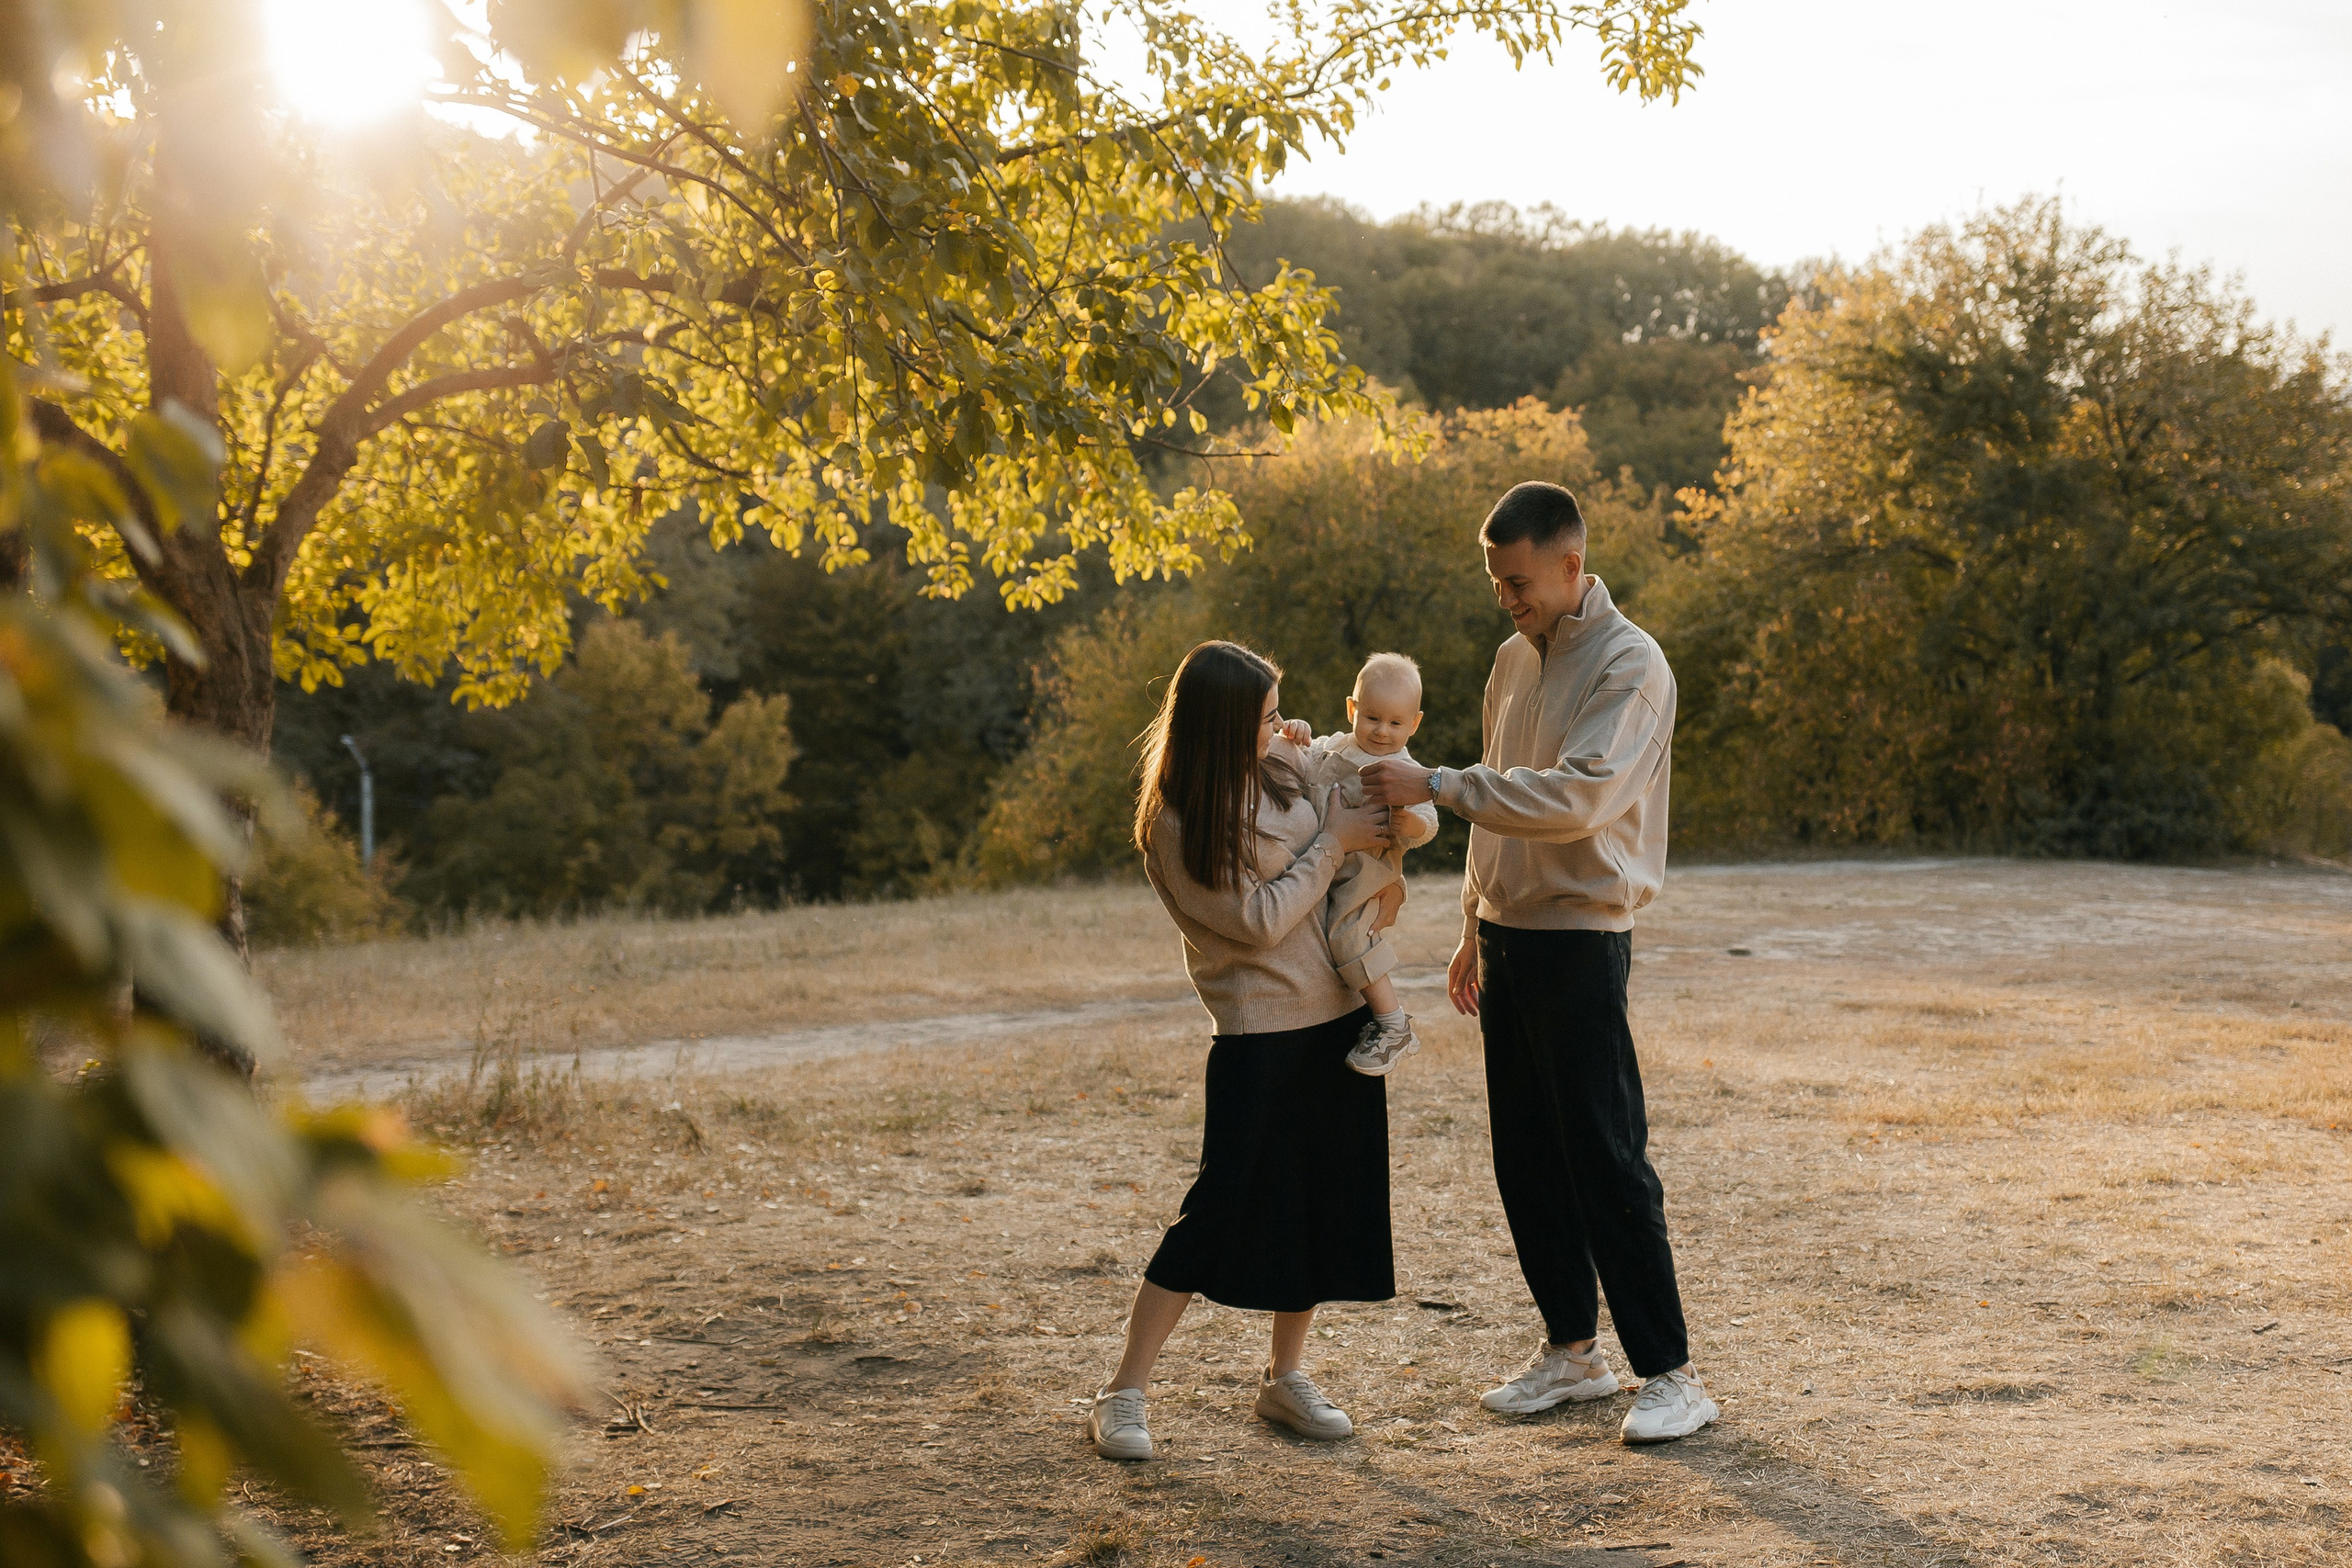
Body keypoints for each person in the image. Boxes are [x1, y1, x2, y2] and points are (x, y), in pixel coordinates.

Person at [1359, 479, 1719, 1446]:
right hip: (1510, 937)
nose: (1504, 598)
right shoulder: (1510, 661)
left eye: (1517, 582)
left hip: (1582, 939)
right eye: (1494, 583)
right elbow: (1500, 794)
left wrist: (1433, 781)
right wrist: (1473, 920)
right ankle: (1573, 1353)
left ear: (1569, 563)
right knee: (1524, 1157)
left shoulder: (1629, 665)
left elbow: (1574, 798)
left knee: (1604, 1158)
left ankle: (1672, 1374)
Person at [1086, 639, 1398, 1461]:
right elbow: (1257, 918)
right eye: (1262, 716)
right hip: (1259, 1034)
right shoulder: (1180, 819)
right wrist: (1332, 841)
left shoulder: (1274, 770)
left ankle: (1283, 1379)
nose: (1277, 725)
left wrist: (1305, 755)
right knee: (1216, 1211)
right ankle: (1122, 1392)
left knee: (1317, 1204)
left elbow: (1332, 801)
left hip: (1335, 1016)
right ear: (1222, 725)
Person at [1276, 651, 1441, 1076]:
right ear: (1351, 709)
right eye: (1371, 718)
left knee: (1351, 937)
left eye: (1395, 723)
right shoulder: (1332, 747)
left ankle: (1394, 1024)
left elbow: (1429, 822)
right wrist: (1294, 734)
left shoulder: (1405, 770)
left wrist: (1410, 823)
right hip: (1326, 861)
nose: (1382, 732)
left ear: (1415, 724)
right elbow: (1304, 758)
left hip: (1368, 871)